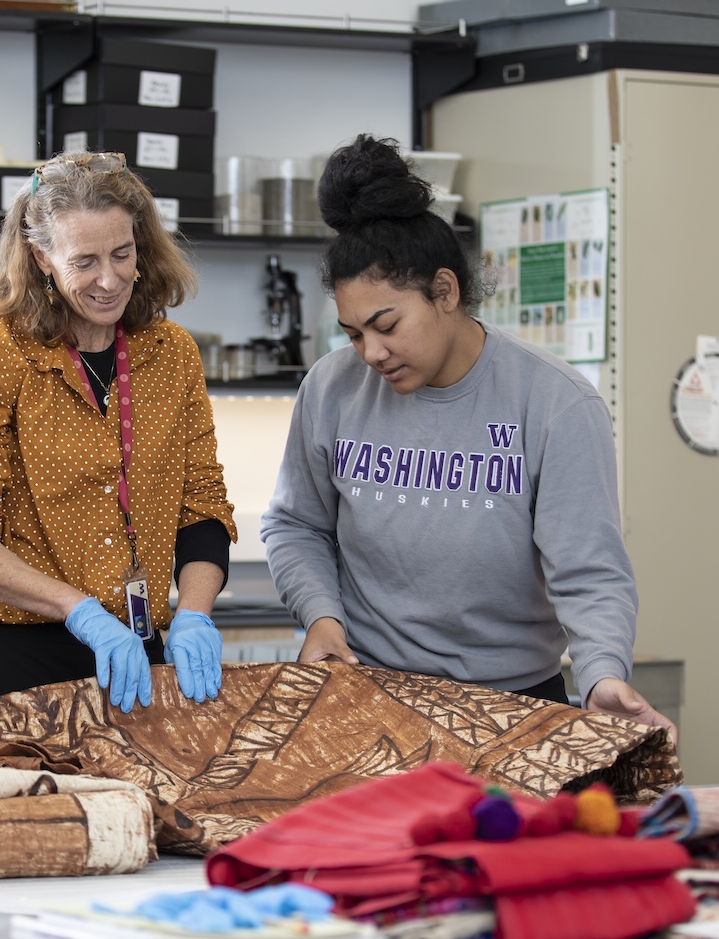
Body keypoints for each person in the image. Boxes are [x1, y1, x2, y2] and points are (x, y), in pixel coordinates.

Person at [263, 135, 670, 732]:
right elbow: (295, 524)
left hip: (516, 709)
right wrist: (321, 616)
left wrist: (603, 673)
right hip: (370, 698)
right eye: (353, 334)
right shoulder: (331, 387)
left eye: (387, 325)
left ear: (446, 291)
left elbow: (589, 571)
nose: (371, 352)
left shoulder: (556, 402)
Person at [0, 151, 236, 711]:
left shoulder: (172, 355)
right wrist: (81, 613)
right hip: (18, 660)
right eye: (85, 260)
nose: (108, 279)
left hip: (139, 655)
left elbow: (203, 507)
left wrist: (194, 613)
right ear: (41, 256)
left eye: (123, 254)